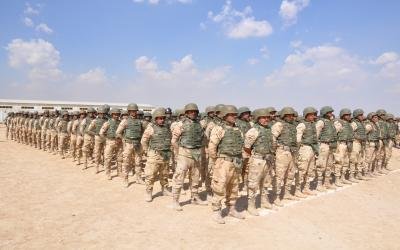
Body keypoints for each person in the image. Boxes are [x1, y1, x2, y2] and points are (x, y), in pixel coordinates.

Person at [209, 105, 245, 224]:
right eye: (232, 115)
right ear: (225, 116)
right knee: (219, 187)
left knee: (234, 187)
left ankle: (231, 209)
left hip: (236, 162)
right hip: (223, 162)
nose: (235, 116)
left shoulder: (238, 129)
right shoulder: (219, 128)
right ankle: (216, 211)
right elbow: (212, 147)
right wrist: (216, 161)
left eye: (235, 114)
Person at [171, 103, 207, 211]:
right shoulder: (180, 125)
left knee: (195, 177)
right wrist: (180, 152)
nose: (193, 113)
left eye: (195, 112)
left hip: (196, 154)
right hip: (184, 154)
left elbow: (203, 138)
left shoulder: (200, 124)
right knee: (179, 177)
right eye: (190, 112)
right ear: (186, 113)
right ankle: (175, 201)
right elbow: (174, 141)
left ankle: (194, 198)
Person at [244, 108, 274, 215]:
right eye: (263, 118)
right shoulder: (253, 131)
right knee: (253, 183)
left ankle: (264, 201)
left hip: (268, 159)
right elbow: (247, 147)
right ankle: (251, 205)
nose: (266, 119)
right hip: (257, 160)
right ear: (258, 119)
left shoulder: (268, 129)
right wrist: (255, 156)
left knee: (266, 182)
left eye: (267, 117)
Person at [141, 107, 172, 201]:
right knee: (150, 175)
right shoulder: (151, 128)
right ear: (155, 118)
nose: (162, 120)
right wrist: (147, 152)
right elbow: (143, 141)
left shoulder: (167, 127)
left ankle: (165, 189)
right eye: (159, 118)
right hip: (154, 155)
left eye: (163, 118)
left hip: (165, 155)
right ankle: (149, 192)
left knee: (165, 174)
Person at [271, 107, 299, 206]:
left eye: (291, 115)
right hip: (282, 152)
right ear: (284, 116)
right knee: (280, 175)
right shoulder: (279, 124)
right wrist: (275, 150)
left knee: (291, 173)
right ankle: (276, 196)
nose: (290, 117)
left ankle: (287, 193)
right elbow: (273, 138)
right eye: (288, 115)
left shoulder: (292, 126)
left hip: (291, 152)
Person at [116, 103, 144, 186]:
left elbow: (142, 132)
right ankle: (125, 179)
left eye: (135, 111)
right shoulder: (125, 121)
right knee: (126, 162)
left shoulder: (140, 121)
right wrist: (124, 140)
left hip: (138, 144)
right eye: (132, 111)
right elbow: (118, 133)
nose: (133, 113)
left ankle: (138, 178)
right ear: (129, 112)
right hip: (128, 144)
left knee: (138, 162)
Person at [296, 107, 319, 195]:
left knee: (310, 169)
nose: (313, 116)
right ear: (307, 115)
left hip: (312, 148)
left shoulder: (313, 124)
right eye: (311, 115)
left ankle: (306, 188)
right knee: (302, 169)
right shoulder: (302, 125)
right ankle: (298, 189)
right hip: (304, 148)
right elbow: (298, 139)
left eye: (314, 115)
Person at [100, 108, 123, 180]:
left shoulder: (121, 122)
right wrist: (106, 139)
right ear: (112, 115)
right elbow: (101, 133)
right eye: (115, 114)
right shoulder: (108, 122)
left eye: (117, 114)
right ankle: (108, 173)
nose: (116, 116)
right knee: (108, 158)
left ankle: (119, 172)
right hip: (110, 142)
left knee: (119, 158)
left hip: (119, 142)